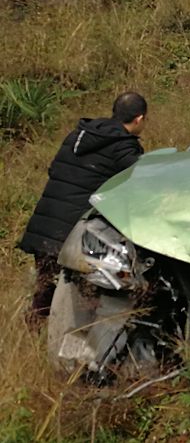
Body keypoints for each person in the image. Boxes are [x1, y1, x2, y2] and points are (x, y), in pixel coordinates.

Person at [18, 92, 148, 319]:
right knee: (86, 295)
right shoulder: (124, 147)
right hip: (76, 231)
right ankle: (79, 335)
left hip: (45, 223)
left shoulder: (78, 134)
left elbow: (54, 170)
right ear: (139, 119)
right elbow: (139, 186)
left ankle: (32, 331)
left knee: (45, 287)